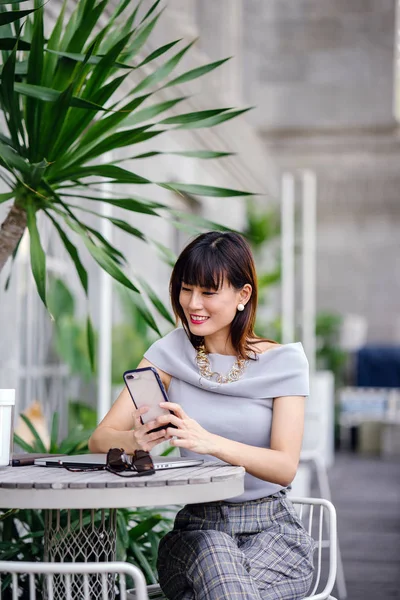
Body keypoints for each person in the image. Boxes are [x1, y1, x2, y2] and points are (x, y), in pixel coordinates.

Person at [89, 231, 315, 600]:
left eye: (208, 292)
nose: (193, 303)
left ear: (243, 295)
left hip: (273, 533)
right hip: (196, 531)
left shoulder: (284, 363)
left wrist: (208, 441)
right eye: (186, 288)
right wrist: (135, 441)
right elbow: (100, 439)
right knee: (214, 551)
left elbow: (284, 466)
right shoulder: (169, 353)